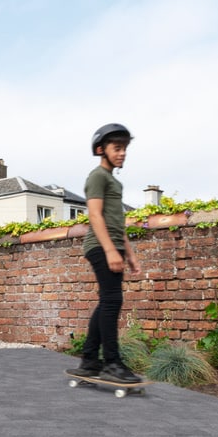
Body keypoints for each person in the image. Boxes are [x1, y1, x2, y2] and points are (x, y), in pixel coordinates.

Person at [76, 123, 142, 383]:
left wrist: (130, 254)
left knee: (107, 301)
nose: (122, 153)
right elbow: (95, 215)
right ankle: (111, 363)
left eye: (125, 148)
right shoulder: (98, 176)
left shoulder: (114, 181)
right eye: (117, 148)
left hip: (111, 246)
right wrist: (109, 250)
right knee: (112, 301)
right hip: (100, 246)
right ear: (101, 149)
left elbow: (117, 222)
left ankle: (90, 361)